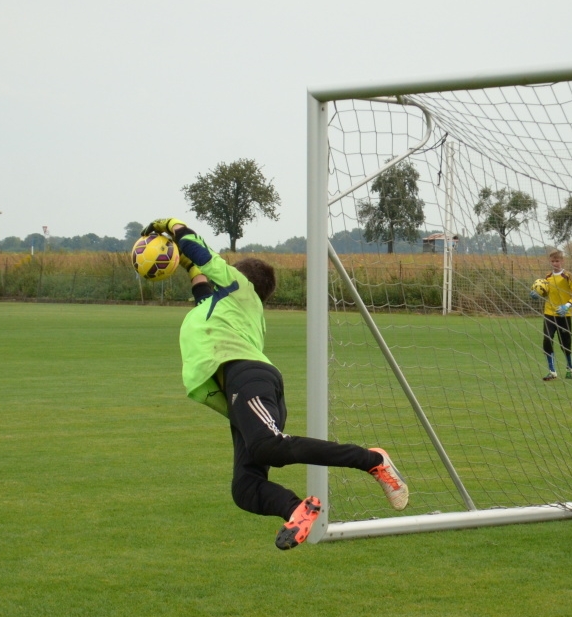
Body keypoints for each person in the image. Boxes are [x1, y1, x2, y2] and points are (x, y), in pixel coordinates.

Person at [142, 218, 409, 550]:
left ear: (238, 278)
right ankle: (294, 508)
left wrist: (172, 225)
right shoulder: (219, 306)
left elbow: (200, 252)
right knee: (245, 488)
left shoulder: (239, 287)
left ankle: (371, 460)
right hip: (239, 391)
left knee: (269, 446)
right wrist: (179, 259)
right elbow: (199, 277)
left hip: (247, 377)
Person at [532, 248, 572, 380]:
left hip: (564, 314)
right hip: (549, 313)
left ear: (562, 261)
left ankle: (570, 366)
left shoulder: (567, 276)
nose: (555, 263)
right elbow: (546, 292)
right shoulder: (547, 277)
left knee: (565, 344)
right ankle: (552, 371)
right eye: (552, 261)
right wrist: (537, 294)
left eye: (557, 261)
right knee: (547, 340)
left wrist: (567, 305)